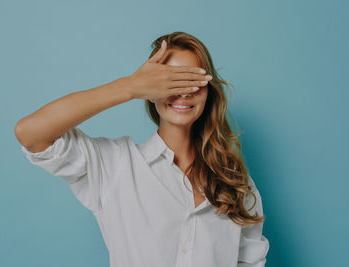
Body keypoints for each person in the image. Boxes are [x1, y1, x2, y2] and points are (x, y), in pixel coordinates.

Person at [15, 31, 269, 267]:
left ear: (208, 92)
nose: (183, 92)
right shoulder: (114, 165)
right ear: (151, 92)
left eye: (193, 80)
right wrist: (130, 87)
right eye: (169, 81)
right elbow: (30, 132)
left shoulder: (235, 182)